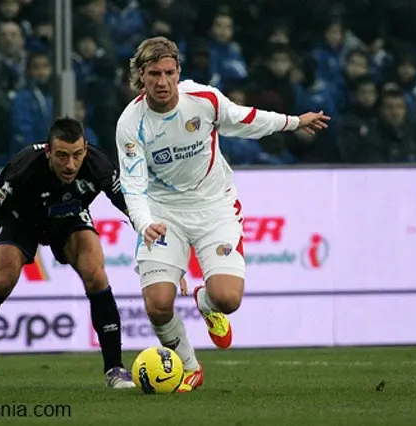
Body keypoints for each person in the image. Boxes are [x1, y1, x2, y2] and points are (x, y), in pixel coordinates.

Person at [115, 36, 330, 392]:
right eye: (154, 73)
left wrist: (294, 122)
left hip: (215, 207)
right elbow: (133, 185)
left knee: (228, 298)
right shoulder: (131, 124)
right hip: (164, 214)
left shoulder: (203, 99)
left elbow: (245, 120)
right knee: (157, 305)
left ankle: (204, 301)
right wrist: (144, 222)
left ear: (178, 72)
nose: (163, 81)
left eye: (169, 72)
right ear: (142, 75)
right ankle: (189, 366)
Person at [0, 117, 136, 391]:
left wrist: (153, 234)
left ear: (85, 149)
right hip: (21, 221)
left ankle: (115, 368)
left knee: (95, 271)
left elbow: (131, 206)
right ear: (49, 150)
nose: (70, 165)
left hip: (68, 218)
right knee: (4, 277)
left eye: (77, 155)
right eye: (62, 156)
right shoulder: (23, 168)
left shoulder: (98, 165)